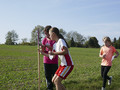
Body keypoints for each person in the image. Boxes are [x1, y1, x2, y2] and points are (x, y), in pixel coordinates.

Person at [41, 25, 58, 90]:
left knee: (55, 77)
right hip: (46, 61)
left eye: (47, 33)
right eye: (45, 33)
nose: (46, 35)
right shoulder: (44, 40)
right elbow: (43, 51)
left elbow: (55, 50)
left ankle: (57, 87)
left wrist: (49, 47)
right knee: (48, 76)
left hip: (54, 61)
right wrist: (42, 48)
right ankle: (49, 88)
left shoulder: (54, 40)